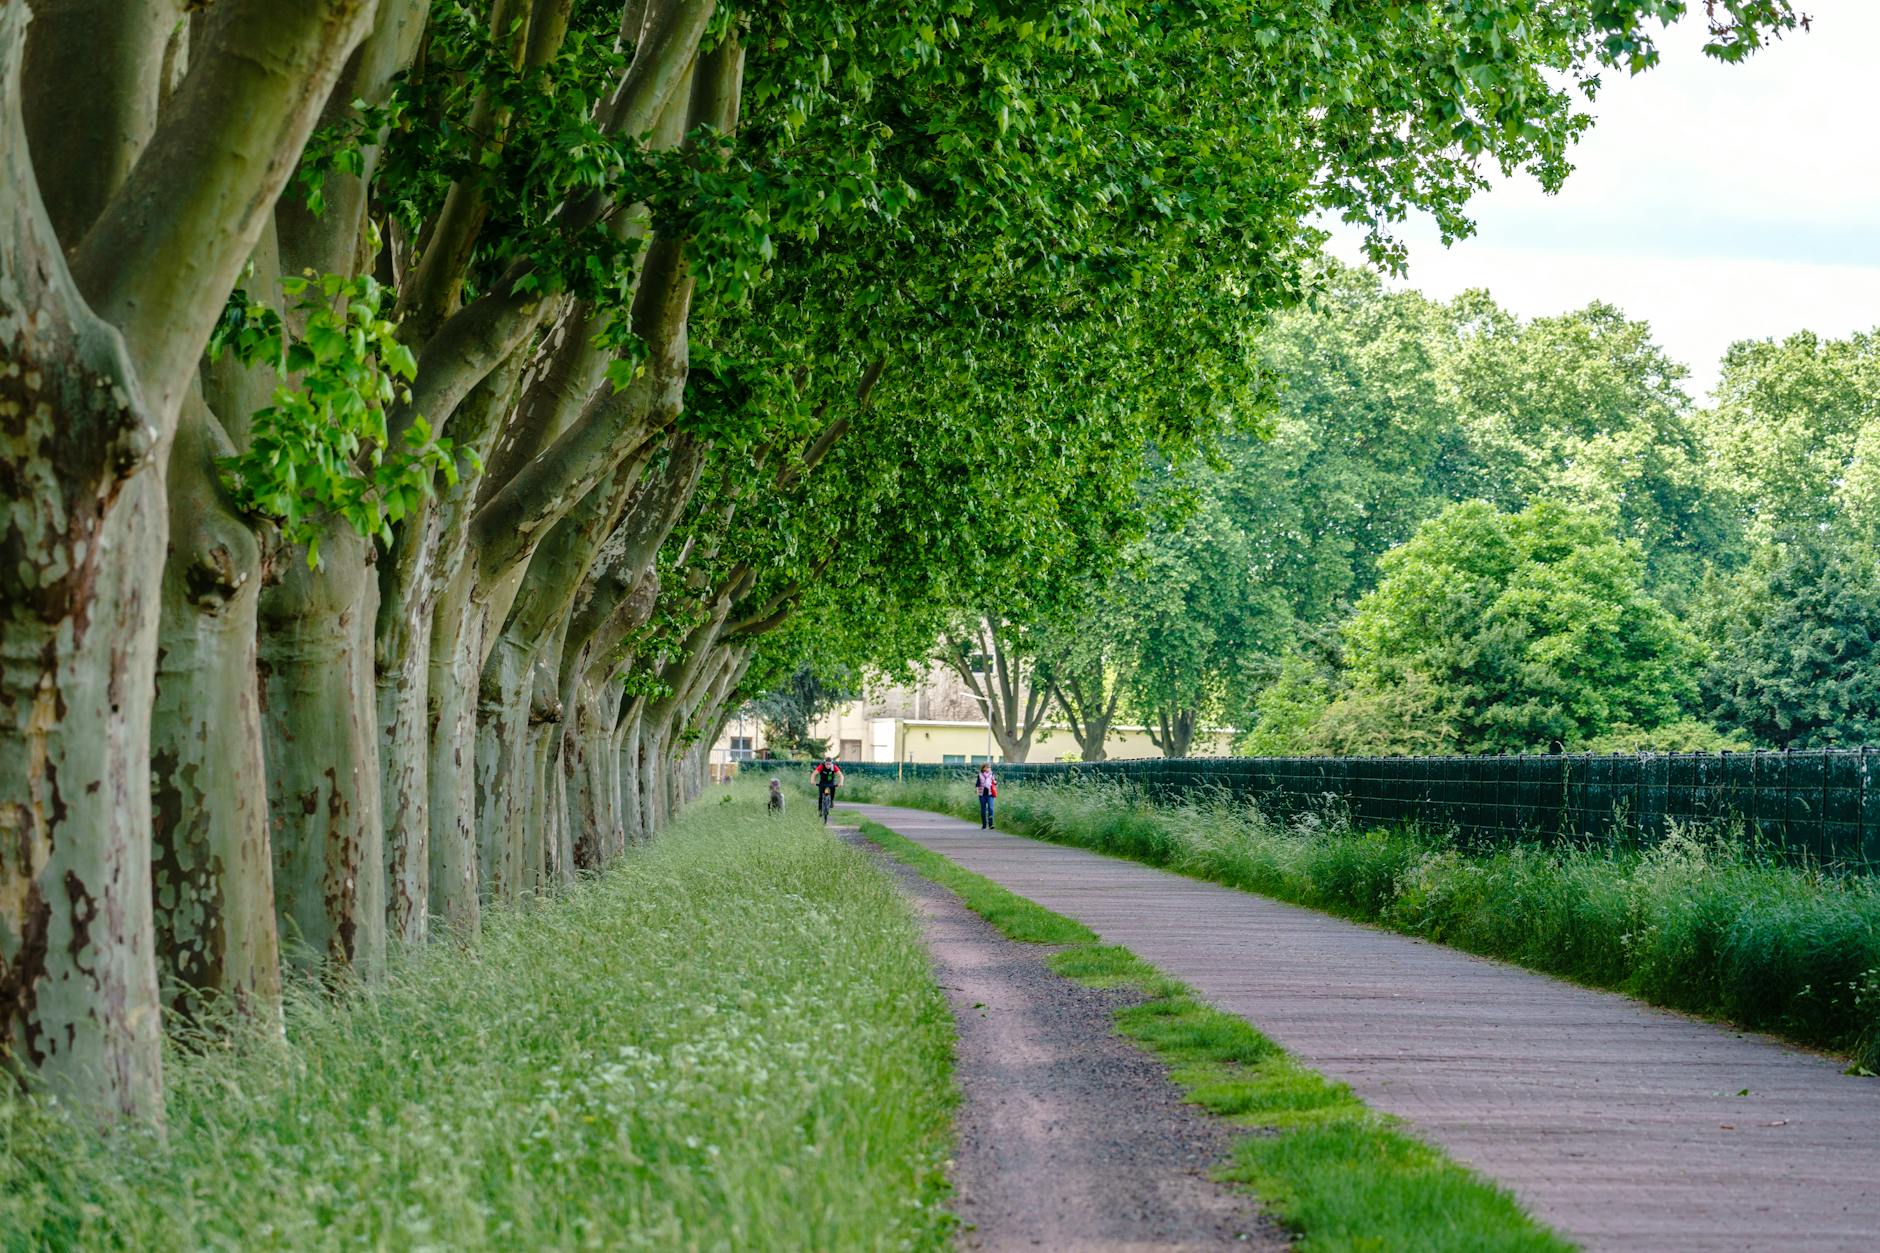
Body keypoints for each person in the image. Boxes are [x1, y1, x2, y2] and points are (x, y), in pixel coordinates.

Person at [811, 757, 843, 822]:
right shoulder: (821, 766)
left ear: (831, 763)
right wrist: (812, 781)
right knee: (820, 797)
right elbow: (814, 774)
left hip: (831, 782)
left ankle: (831, 801)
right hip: (822, 783)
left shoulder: (834, 767)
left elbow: (841, 775)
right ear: (824, 763)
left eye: (829, 764)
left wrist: (841, 782)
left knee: (833, 790)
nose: (828, 765)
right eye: (826, 764)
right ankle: (820, 810)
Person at [976, 762, 998, 829]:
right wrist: (977, 791)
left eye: (989, 767)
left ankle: (991, 825)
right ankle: (984, 825)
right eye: (987, 767)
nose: (989, 768)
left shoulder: (992, 774)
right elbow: (977, 784)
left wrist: (995, 782)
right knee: (983, 810)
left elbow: (995, 782)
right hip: (982, 794)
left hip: (990, 794)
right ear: (984, 768)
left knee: (991, 809)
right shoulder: (980, 775)